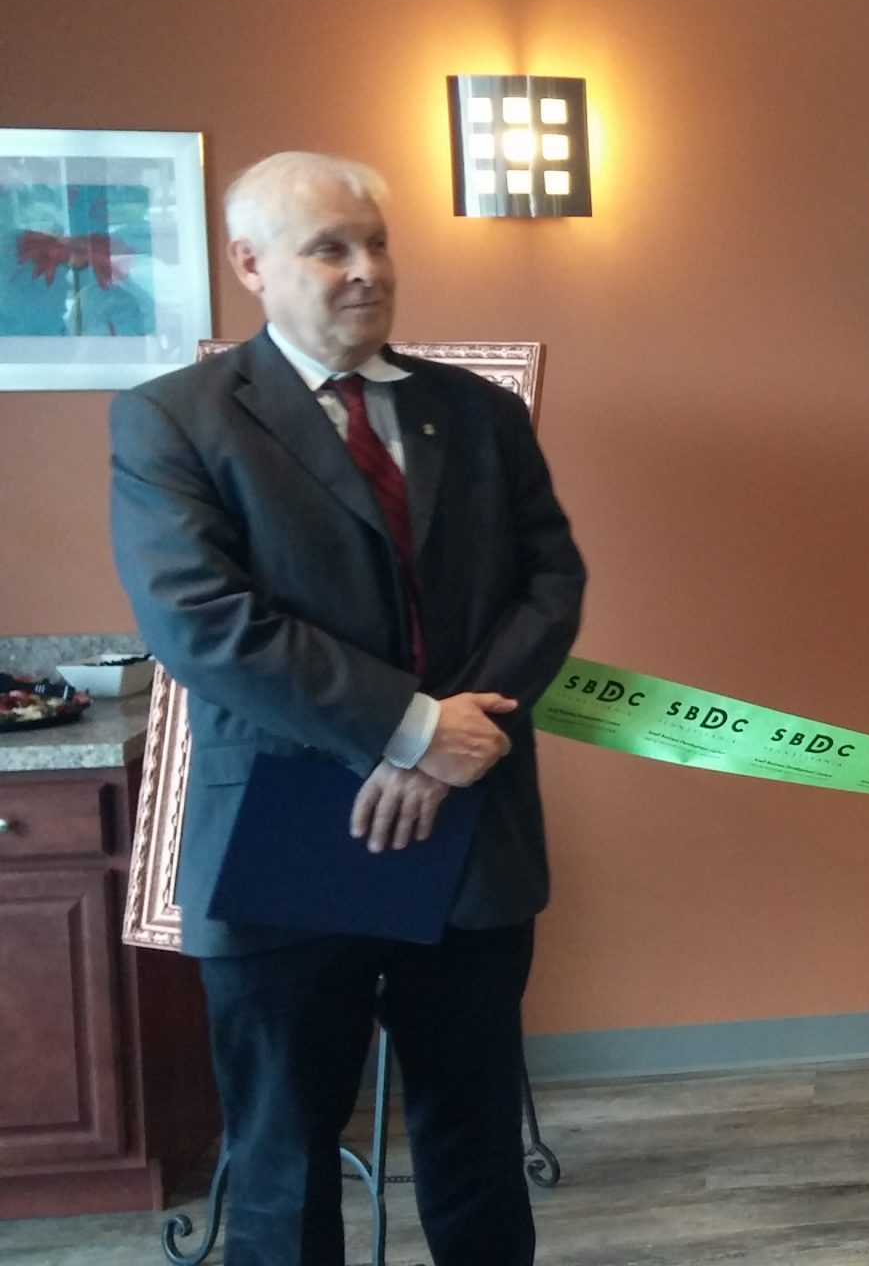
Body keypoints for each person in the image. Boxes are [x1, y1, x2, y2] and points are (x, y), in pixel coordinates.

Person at [109, 151, 586, 1266]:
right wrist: (410, 730)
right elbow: (203, 625)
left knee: (471, 1149)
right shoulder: (172, 421)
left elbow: (551, 584)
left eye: (376, 243)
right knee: (280, 1160)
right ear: (250, 265)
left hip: (468, 826)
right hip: (285, 832)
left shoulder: (476, 415)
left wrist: (446, 755)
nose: (367, 270)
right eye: (330, 248)